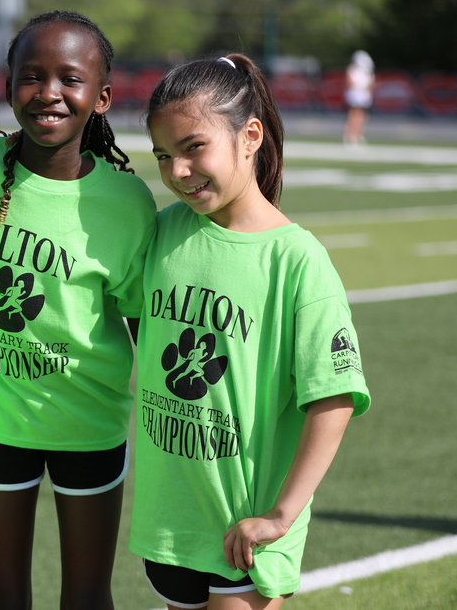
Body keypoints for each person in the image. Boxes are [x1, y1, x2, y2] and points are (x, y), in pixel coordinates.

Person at [131, 54, 371, 609]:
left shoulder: (298, 260)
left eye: (194, 147)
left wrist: (280, 516)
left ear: (249, 136)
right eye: (164, 156)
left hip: (247, 529)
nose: (178, 172)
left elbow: (333, 397)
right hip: (170, 523)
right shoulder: (166, 229)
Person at [0, 10, 157, 609]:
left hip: (90, 422)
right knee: (4, 592)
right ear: (8, 84)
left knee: (88, 596)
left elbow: (143, 318)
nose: (49, 93)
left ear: (104, 96)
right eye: (31, 76)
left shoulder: (126, 201)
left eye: (70, 78)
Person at [343, 50, 375, 146]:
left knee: (362, 116)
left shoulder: (367, 72)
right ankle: (350, 135)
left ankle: (358, 135)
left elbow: (372, 84)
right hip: (355, 95)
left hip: (364, 96)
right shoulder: (352, 70)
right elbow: (350, 83)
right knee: (354, 114)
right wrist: (361, 86)